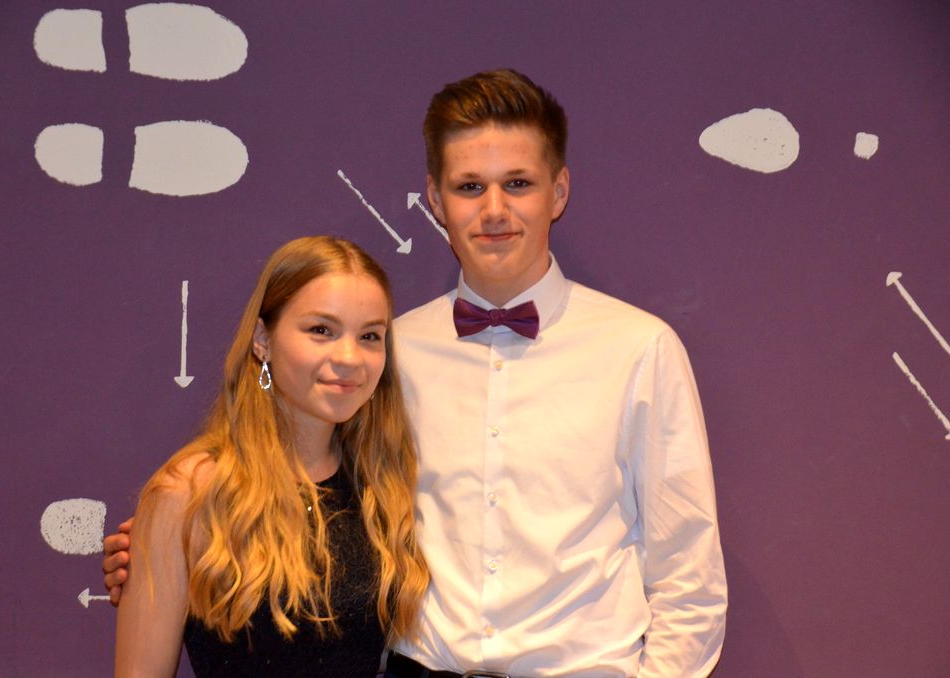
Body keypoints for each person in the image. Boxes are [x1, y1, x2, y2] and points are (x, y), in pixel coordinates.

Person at [107, 69, 727, 677]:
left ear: (558, 192)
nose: (494, 210)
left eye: (517, 183)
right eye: (469, 186)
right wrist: (169, 542)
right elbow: (298, 495)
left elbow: (689, 582)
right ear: (435, 199)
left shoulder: (639, 349)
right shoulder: (387, 352)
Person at [112, 236, 429, 677]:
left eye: (370, 336)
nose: (349, 357)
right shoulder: (188, 493)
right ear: (263, 339)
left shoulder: (382, 487)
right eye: (321, 330)